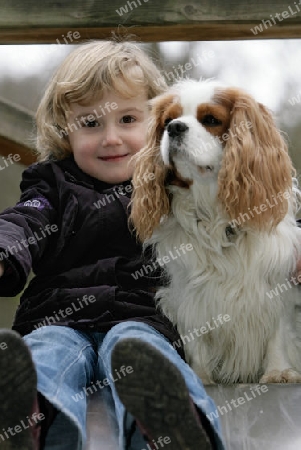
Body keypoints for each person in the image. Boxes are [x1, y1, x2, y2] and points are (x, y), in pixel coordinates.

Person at [0, 40, 225, 450]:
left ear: (157, 119)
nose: (111, 139)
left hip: (144, 315)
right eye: (90, 124)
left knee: (141, 351)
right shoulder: (51, 183)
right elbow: (23, 219)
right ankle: (23, 424)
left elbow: (234, 216)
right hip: (58, 319)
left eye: (127, 119)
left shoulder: (174, 180)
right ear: (63, 128)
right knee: (43, 352)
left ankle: (177, 427)